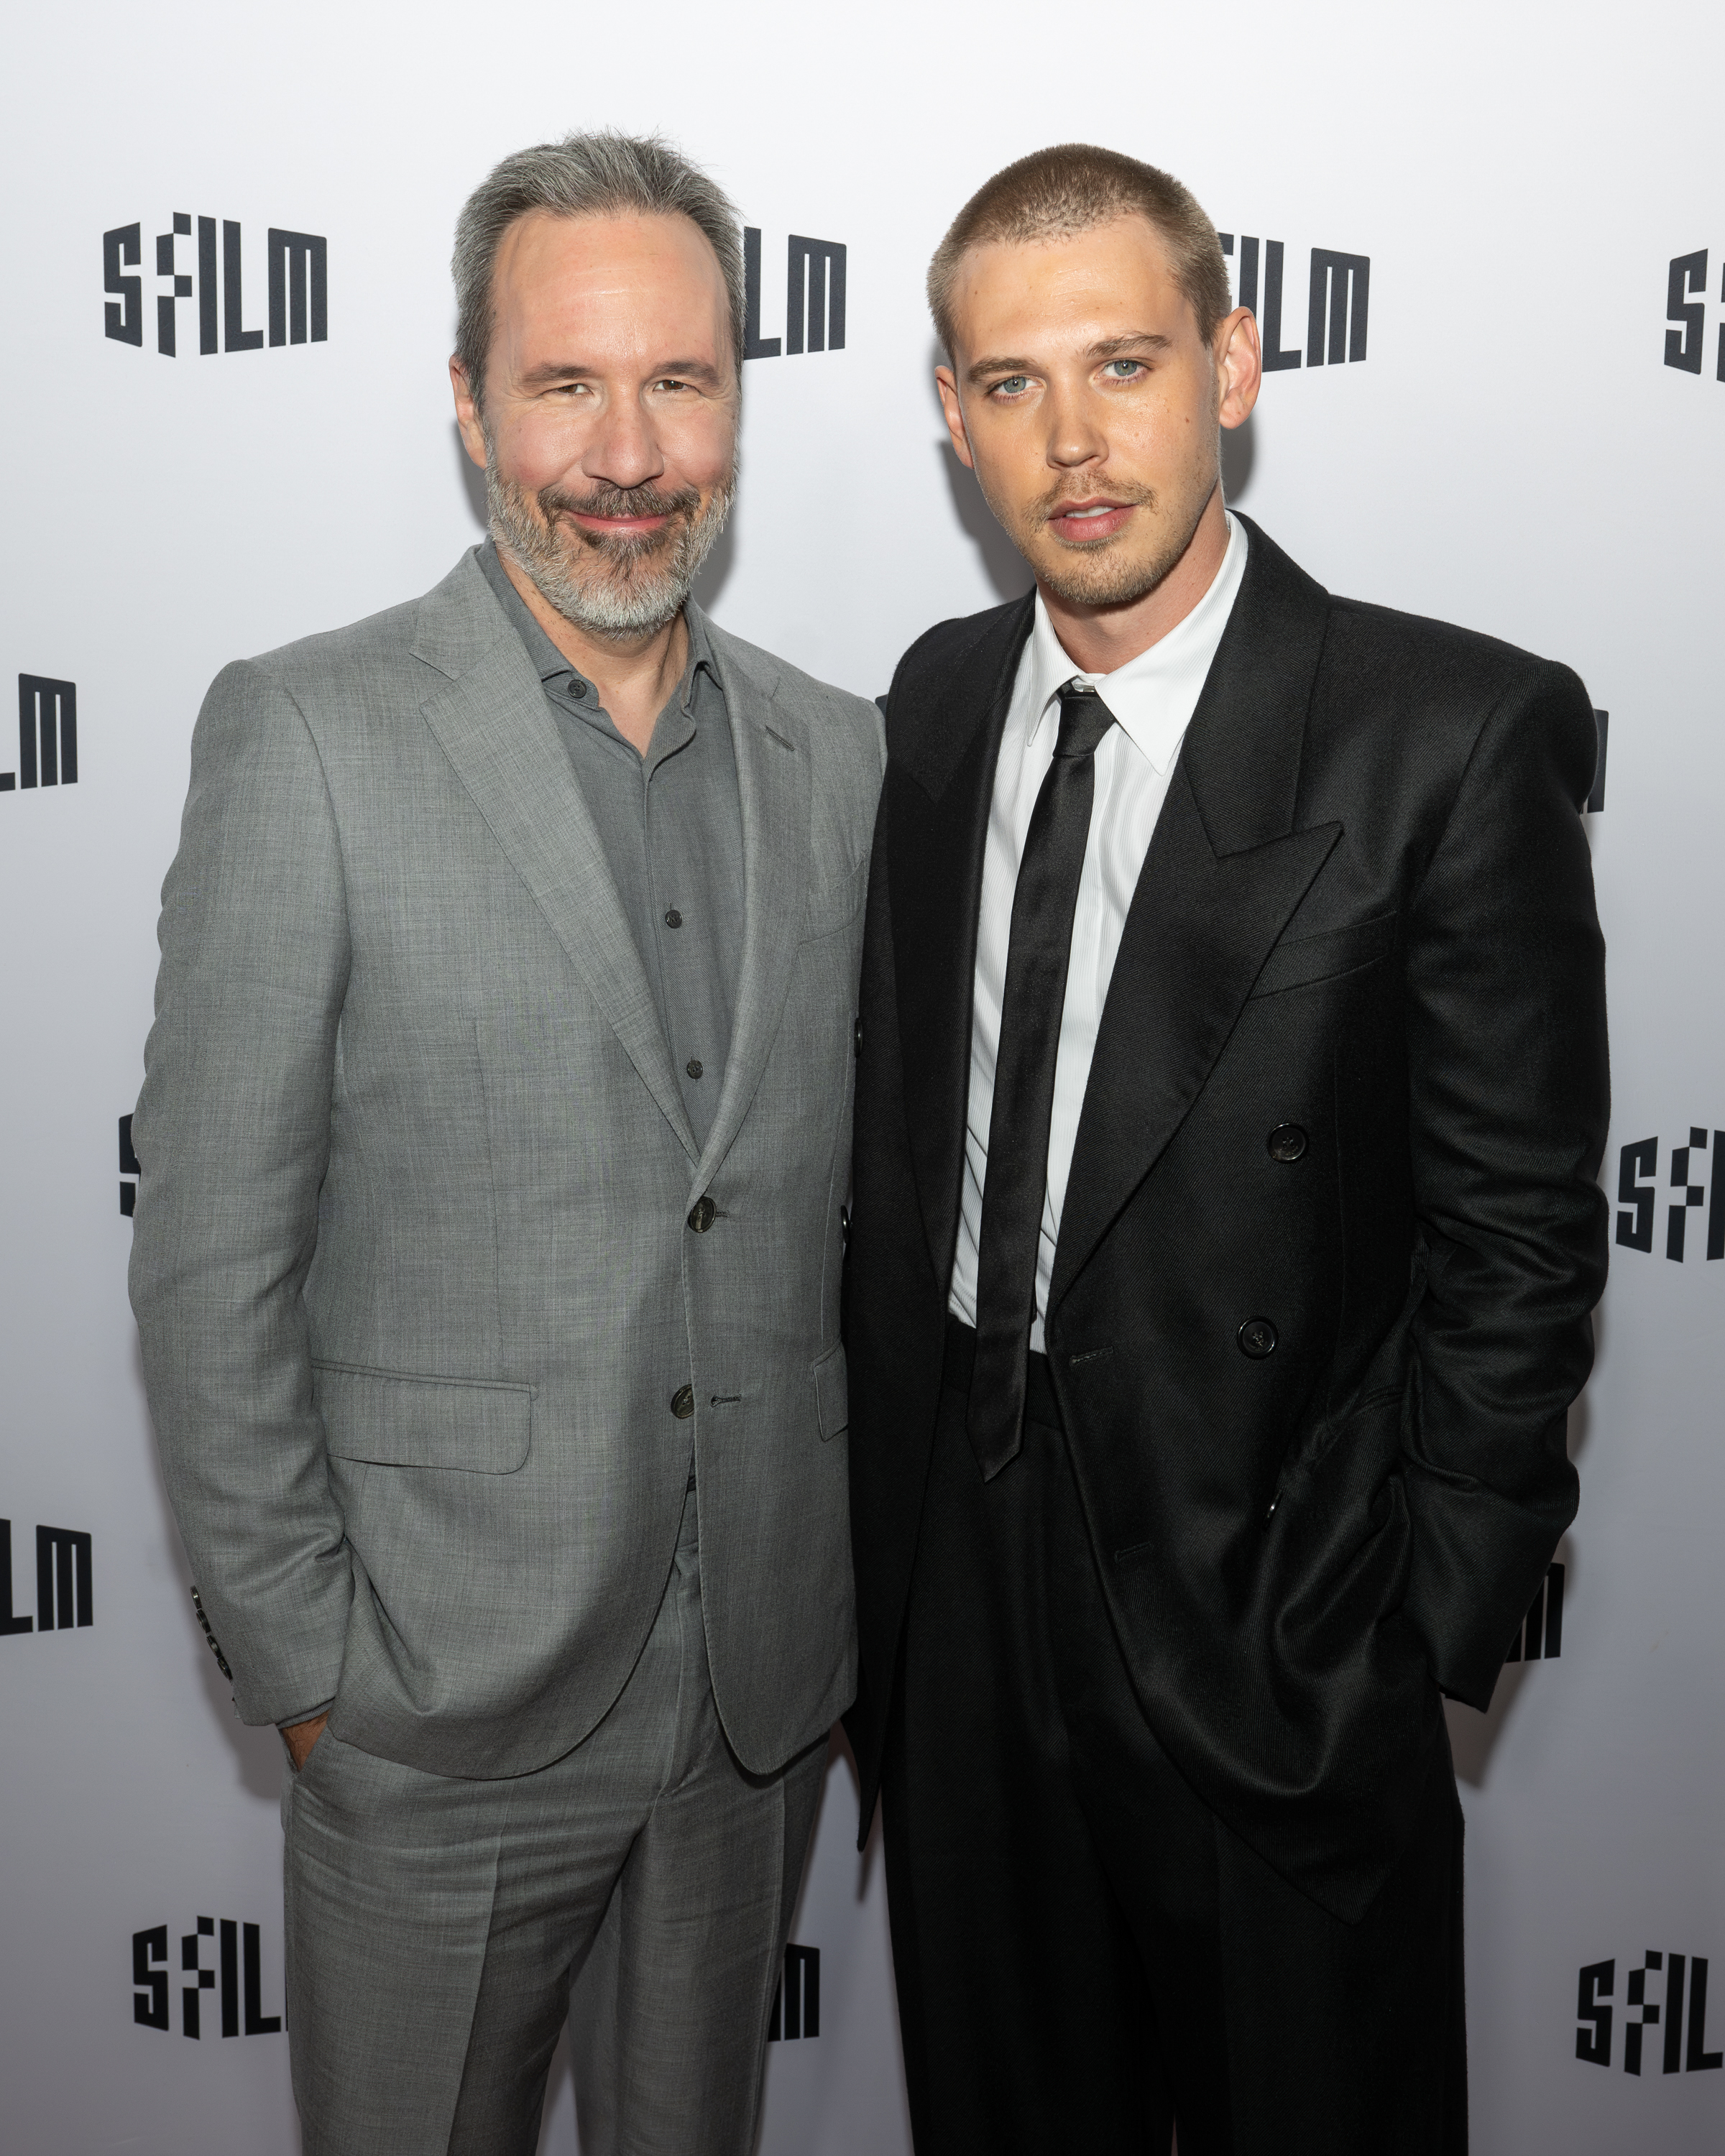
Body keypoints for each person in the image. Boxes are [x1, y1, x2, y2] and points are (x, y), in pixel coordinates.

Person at [843, 142, 1609, 2155]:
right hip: (959, 1599)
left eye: (1126, 364)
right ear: (950, 416)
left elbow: (1523, 1239)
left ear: (1235, 366)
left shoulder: (1440, 735)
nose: (1075, 444)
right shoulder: (931, 705)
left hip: (1268, 1613)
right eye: (1011, 384)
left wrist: (1402, 1636)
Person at [129, 132, 881, 2156]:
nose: (626, 452)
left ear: (739, 399)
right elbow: (212, 1256)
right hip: (434, 1708)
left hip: (752, 1704)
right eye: (564, 384)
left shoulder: (848, 752)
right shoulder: (309, 736)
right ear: (469, 406)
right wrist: (314, 1671)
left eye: (680, 382)